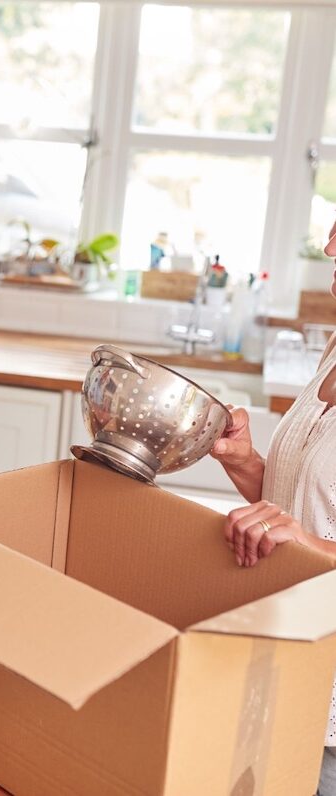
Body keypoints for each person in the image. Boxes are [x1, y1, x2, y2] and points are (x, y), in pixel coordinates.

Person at [210, 218, 336, 796]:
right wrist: (245, 464)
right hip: (281, 654)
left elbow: (311, 536)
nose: (331, 244)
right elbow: (304, 507)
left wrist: (308, 545)